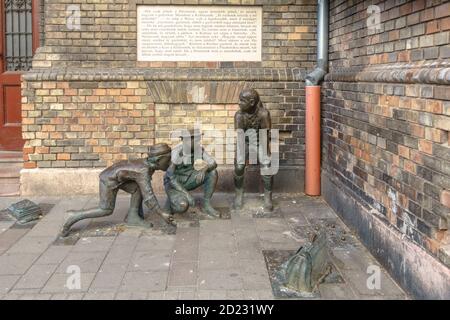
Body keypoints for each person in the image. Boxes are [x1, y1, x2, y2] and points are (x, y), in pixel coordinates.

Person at [60, 143, 174, 237]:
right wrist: (162, 213)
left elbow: (145, 191)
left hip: (118, 178)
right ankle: (73, 216)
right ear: (159, 160)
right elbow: (149, 197)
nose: (169, 163)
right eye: (167, 160)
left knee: (137, 188)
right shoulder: (143, 171)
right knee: (105, 209)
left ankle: (133, 217)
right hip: (108, 180)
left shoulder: (147, 165)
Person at [234, 88, 274, 212]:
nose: (239, 103)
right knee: (239, 166)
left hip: (260, 142)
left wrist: (265, 154)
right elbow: (240, 136)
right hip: (245, 142)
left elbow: (265, 135)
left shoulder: (263, 114)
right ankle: (239, 194)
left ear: (251, 102)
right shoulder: (239, 115)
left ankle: (268, 196)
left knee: (267, 167)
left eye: (242, 101)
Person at [164, 129, 220, 218]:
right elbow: (170, 177)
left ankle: (206, 205)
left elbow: (213, 163)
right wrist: (187, 194)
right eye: (196, 140)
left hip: (189, 178)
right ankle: (171, 203)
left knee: (212, 173)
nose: (198, 142)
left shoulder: (198, 150)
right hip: (174, 183)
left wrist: (204, 169)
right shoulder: (177, 152)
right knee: (182, 206)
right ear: (187, 141)